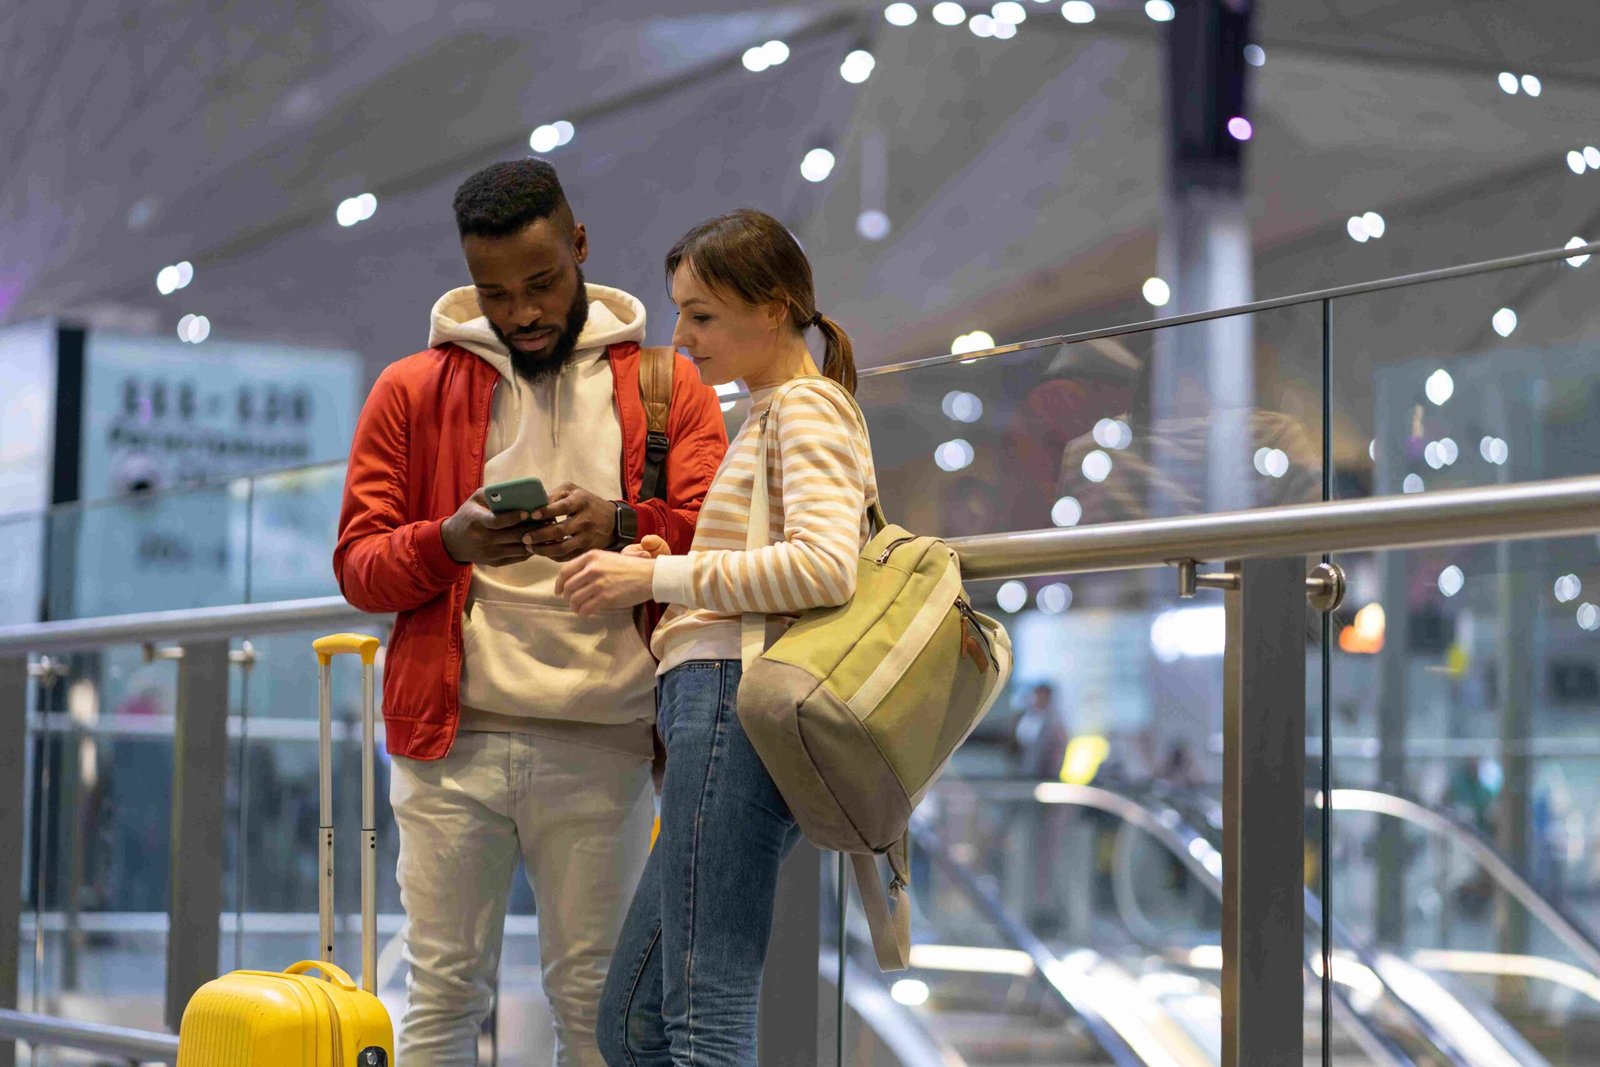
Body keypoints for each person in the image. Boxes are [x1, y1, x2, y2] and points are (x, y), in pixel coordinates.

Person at [332, 159, 728, 1066]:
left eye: (543, 282)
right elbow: (359, 563)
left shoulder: (669, 387)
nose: (522, 312)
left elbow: (722, 538)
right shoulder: (411, 388)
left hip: (605, 738)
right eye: (496, 291)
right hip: (449, 739)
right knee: (438, 997)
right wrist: (450, 541)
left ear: (581, 246)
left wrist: (622, 521)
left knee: (597, 1010)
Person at [554, 208, 880, 1066]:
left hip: (735, 699)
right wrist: (682, 559)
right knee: (633, 1022)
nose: (682, 337)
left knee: (702, 1015)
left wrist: (654, 578)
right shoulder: (777, 410)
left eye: (701, 314)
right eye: (680, 312)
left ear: (772, 309)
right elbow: (783, 561)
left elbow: (821, 567)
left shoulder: (806, 409)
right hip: (717, 698)